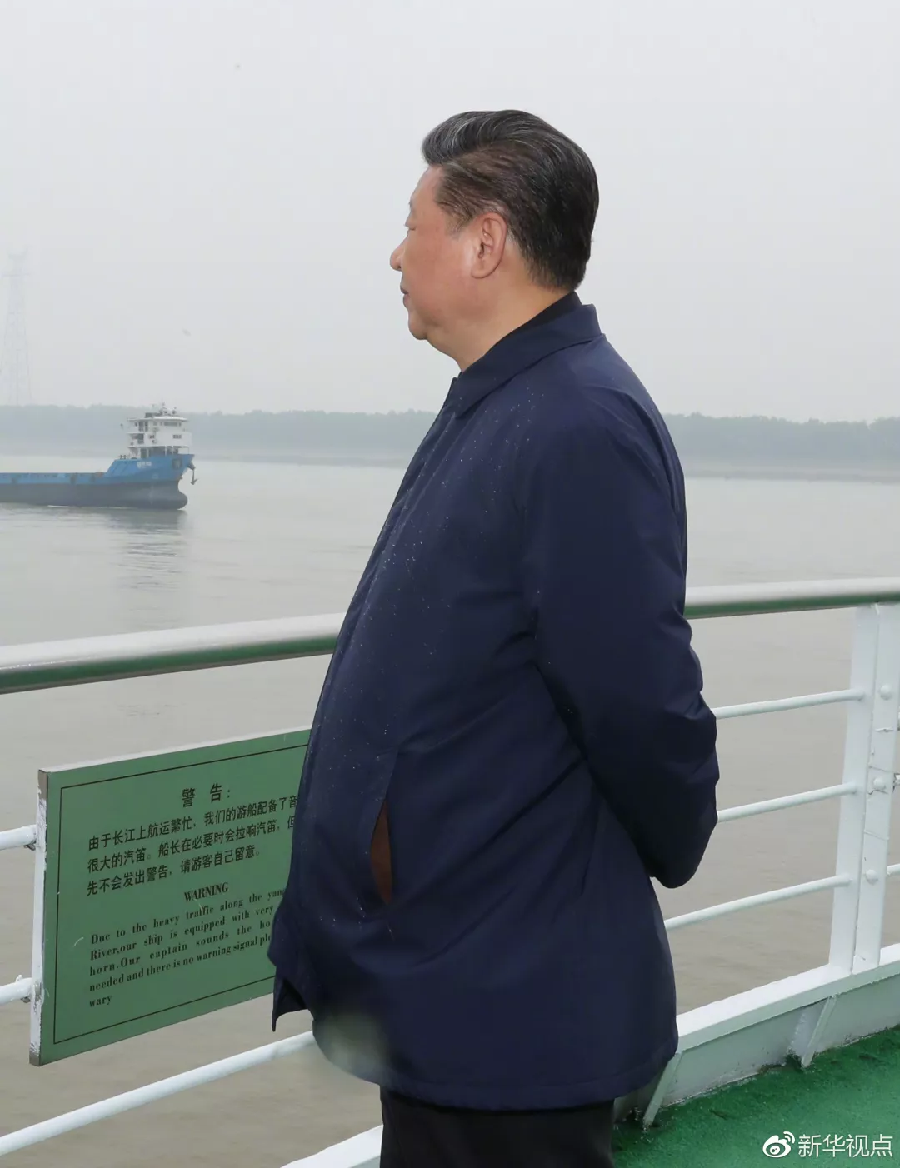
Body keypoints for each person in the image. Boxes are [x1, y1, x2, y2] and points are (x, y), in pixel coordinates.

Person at [269, 110, 719, 1167]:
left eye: (413, 224)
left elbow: (638, 702)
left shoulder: (576, 424)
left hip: (506, 977)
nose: (396, 254)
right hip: (456, 957)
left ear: (484, 243)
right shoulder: (511, 399)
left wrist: (678, 838)